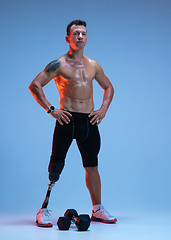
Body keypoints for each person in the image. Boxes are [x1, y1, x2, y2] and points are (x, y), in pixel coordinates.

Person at [29, 19, 116, 227]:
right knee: (56, 166)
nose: (80, 36)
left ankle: (98, 210)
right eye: (76, 33)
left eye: (83, 33)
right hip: (67, 119)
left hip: (88, 121)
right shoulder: (59, 64)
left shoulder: (94, 65)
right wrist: (51, 109)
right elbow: (35, 85)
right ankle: (43, 210)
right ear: (68, 38)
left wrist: (103, 110)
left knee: (92, 166)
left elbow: (109, 87)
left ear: (87, 37)